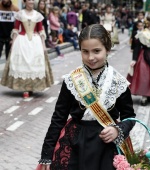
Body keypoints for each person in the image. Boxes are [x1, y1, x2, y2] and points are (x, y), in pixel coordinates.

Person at [36, 24, 136, 170]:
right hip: (74, 143)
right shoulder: (72, 80)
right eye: (85, 51)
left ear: (107, 49)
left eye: (97, 51)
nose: (91, 57)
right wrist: (46, 154)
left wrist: (118, 130)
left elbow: (129, 117)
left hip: (107, 146)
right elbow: (58, 118)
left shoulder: (119, 82)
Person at [0, 0, 54, 98]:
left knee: (34, 64)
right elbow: (16, 29)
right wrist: (13, 42)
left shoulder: (37, 15)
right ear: (25, 2)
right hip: (22, 41)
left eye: (32, 1)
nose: (31, 2)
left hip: (35, 41)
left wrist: (43, 45)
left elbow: (41, 30)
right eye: (29, 0)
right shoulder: (20, 14)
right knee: (23, 64)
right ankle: (25, 89)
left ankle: (31, 87)